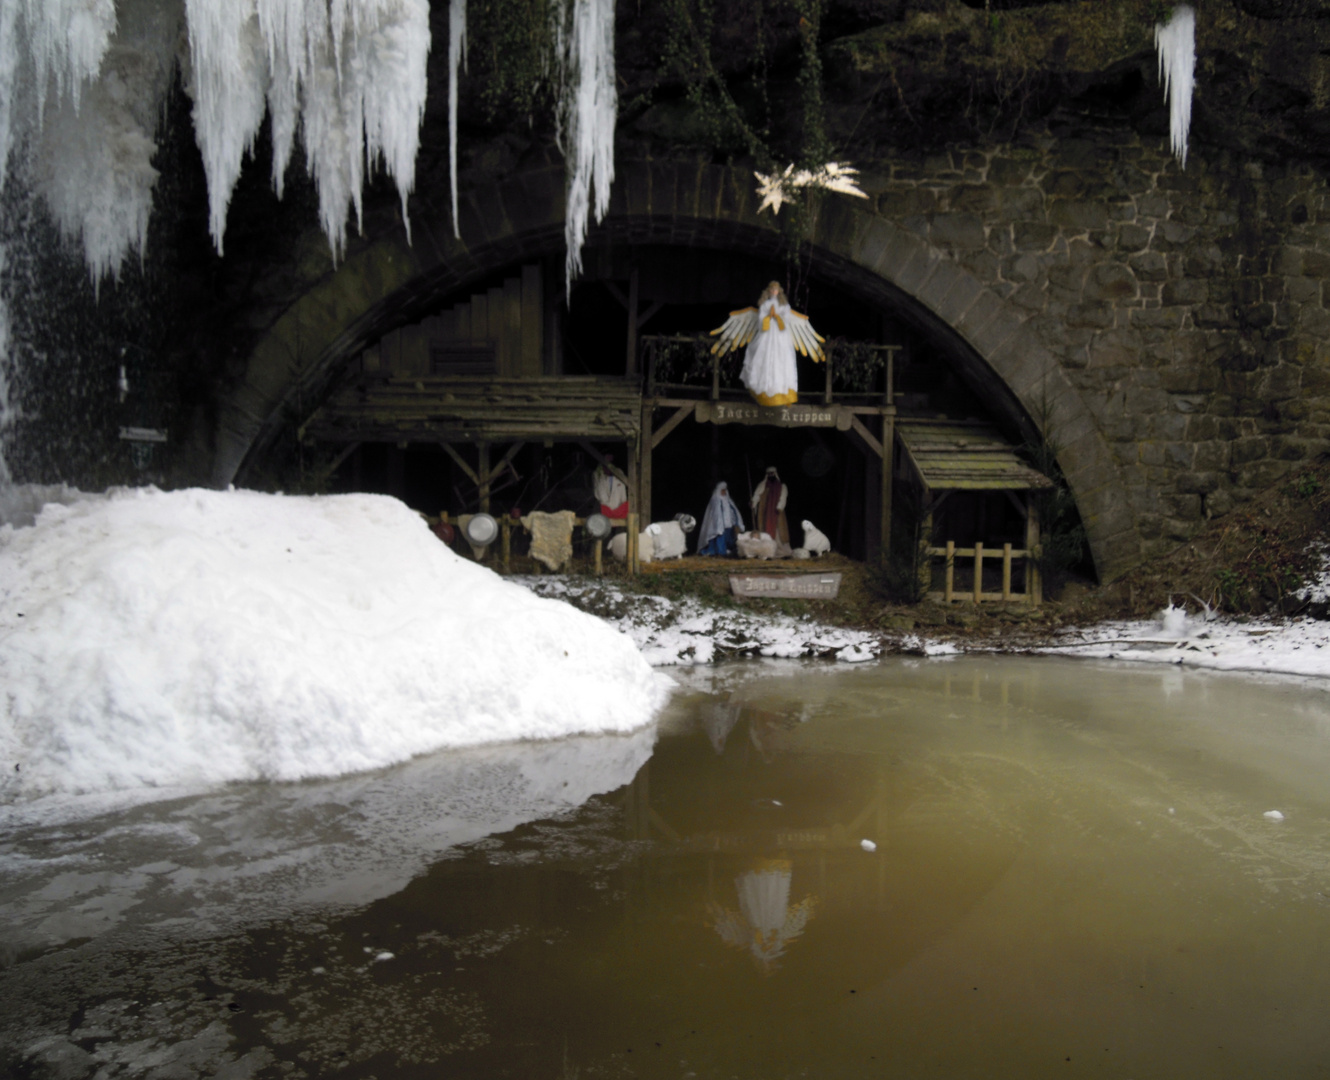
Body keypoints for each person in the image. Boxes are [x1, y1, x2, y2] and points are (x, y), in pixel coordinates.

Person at [709, 281, 825, 406]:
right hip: (766, 334)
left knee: (781, 363)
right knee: (763, 360)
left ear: (779, 291)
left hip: (781, 336)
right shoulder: (765, 304)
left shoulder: (784, 305)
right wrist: (768, 317)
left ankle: (782, 393)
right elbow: (760, 320)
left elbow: (786, 319)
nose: (774, 292)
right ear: (768, 292)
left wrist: (777, 317)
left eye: (776, 290)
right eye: (772, 290)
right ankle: (763, 393)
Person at [751, 466, 791, 556]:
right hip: (765, 512)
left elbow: (783, 498)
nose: (771, 475)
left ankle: (781, 552)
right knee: (765, 529)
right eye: (769, 474)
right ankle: (767, 551)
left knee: (779, 531)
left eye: (772, 473)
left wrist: (779, 507)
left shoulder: (781, 486)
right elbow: (757, 495)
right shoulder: (763, 485)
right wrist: (753, 502)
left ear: (775, 474)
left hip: (776, 512)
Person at [697, 480, 744, 556]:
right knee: (720, 539)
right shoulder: (715, 500)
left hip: (728, 525)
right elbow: (716, 515)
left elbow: (734, 511)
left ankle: (728, 550)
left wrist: (736, 522)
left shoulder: (728, 500)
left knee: (730, 539)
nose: (724, 492)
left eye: (725, 490)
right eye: (722, 490)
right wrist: (719, 526)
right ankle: (720, 552)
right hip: (719, 526)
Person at [592, 453, 628, 520]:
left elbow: (623, 497)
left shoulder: (620, 474)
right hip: (603, 512)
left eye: (610, 463)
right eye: (605, 463)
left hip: (620, 512)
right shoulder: (598, 475)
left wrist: (620, 510)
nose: (608, 466)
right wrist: (608, 510)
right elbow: (598, 495)